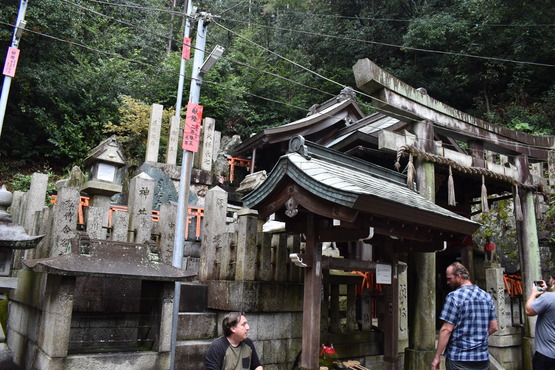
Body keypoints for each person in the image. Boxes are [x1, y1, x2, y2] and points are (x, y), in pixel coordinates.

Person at [431, 262, 498, 370]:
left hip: (459, 358)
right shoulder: (486, 296)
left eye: (449, 278)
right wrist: (478, 339)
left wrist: (437, 356)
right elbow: (494, 327)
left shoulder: (454, 297)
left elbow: (446, 329)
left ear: (459, 276)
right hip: (482, 358)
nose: (448, 282)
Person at [525, 273, 555, 370]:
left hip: (547, 353)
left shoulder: (548, 298)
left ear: (553, 281)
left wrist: (534, 293)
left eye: (550, 279)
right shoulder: (548, 298)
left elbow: (529, 310)